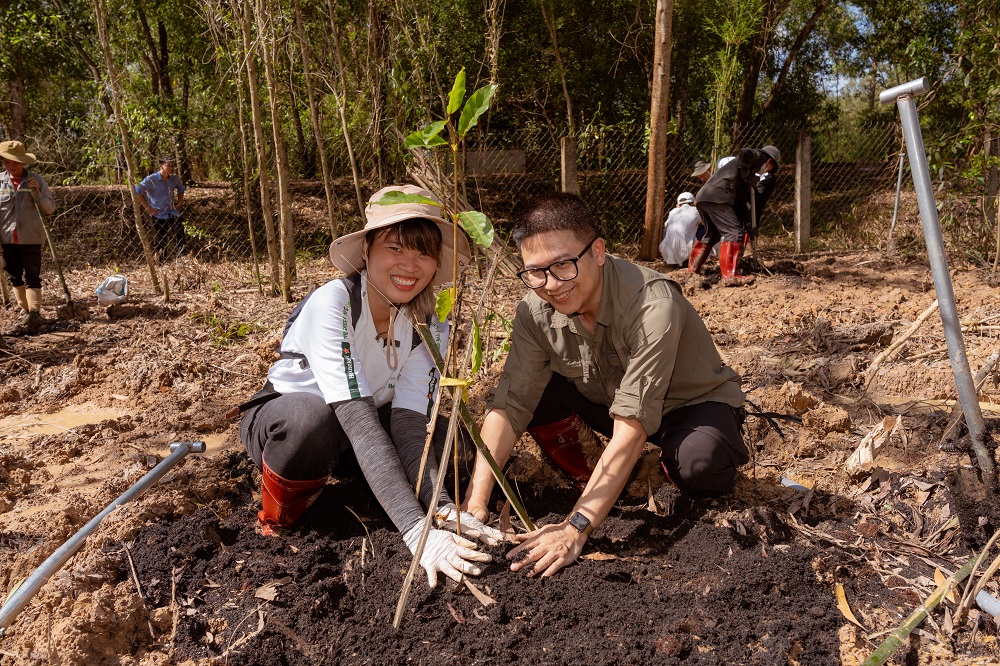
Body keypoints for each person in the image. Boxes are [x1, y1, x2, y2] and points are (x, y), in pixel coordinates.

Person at [461, 192, 748, 578]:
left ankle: (656, 469)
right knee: (534, 390)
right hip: (612, 404)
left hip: (686, 406)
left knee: (699, 465)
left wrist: (576, 527)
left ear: (597, 251)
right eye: (535, 272)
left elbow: (633, 419)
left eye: (563, 265)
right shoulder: (535, 311)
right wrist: (475, 504)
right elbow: (510, 404)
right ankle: (608, 479)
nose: (551, 285)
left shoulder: (652, 302)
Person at [235, 184, 500, 589]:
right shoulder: (334, 302)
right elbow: (356, 420)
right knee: (312, 421)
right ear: (366, 251)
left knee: (454, 445)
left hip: (367, 423)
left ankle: (370, 487)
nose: (410, 265)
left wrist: (442, 510)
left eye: (424, 252)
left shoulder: (431, 323)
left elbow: (411, 423)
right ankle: (278, 517)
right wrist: (416, 531)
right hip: (291, 422)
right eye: (395, 248)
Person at [688, 146, 780, 286]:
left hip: (704, 197)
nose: (768, 169)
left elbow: (741, 203)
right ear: (770, 160)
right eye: (771, 165)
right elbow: (745, 152)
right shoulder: (758, 158)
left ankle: (692, 270)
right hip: (718, 197)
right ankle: (729, 275)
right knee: (733, 232)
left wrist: (748, 226)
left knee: (711, 235)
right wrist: (746, 172)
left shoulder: (743, 179)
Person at [0, 140, 56, 329]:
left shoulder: (37, 180)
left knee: (32, 275)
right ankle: (24, 311)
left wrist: (37, 193)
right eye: (7, 161)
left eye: (15, 161)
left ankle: (35, 313)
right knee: (14, 275)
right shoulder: (0, 182)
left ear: (23, 162)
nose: (11, 165)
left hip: (31, 237)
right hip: (7, 238)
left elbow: (50, 209)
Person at [135, 156, 186, 257]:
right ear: (161, 166)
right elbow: (137, 191)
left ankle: (181, 257)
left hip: (172, 212)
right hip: (158, 214)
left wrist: (179, 203)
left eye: (173, 166)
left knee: (180, 232)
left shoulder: (174, 179)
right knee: (161, 239)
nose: (171, 168)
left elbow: (181, 190)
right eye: (168, 166)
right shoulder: (151, 179)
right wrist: (147, 207)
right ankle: (161, 260)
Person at [658, 192, 701, 266]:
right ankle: (691, 257)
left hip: (666, 252)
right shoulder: (696, 211)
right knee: (703, 227)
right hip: (686, 252)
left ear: (678, 204)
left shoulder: (673, 212)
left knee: (667, 227)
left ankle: (673, 260)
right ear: (693, 202)